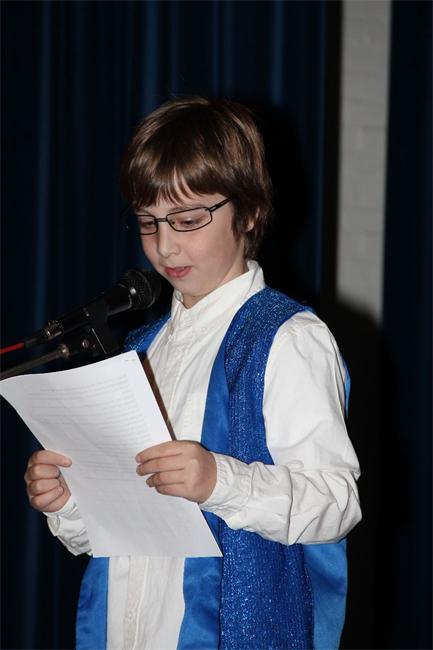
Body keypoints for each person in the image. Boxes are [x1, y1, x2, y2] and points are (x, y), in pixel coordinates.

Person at [24, 96, 361, 650]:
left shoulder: (287, 338)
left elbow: (336, 502)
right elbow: (117, 529)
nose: (165, 245)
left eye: (187, 220)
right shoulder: (142, 347)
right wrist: (70, 501)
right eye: (148, 223)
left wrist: (218, 481)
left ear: (248, 211)